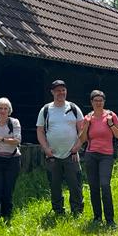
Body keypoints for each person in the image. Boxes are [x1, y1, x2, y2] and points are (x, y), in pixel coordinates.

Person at [36, 80, 85, 217]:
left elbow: (82, 130)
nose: (61, 93)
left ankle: (77, 211)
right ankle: (58, 211)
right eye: (57, 90)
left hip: (72, 154)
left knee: (75, 184)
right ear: (52, 92)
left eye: (63, 90)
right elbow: (40, 131)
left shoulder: (74, 108)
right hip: (52, 155)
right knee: (55, 185)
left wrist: (77, 147)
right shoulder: (46, 110)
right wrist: (45, 148)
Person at [78, 90, 118, 226]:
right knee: (93, 186)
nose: (98, 103)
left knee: (105, 185)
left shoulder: (111, 116)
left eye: (101, 100)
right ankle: (97, 217)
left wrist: (111, 125)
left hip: (106, 155)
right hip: (91, 154)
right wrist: (85, 127)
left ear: (104, 102)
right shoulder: (88, 118)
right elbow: (82, 139)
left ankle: (110, 220)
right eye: (95, 100)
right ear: (91, 102)